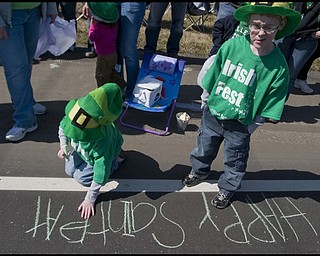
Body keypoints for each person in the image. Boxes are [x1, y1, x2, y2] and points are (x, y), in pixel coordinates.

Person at [182, 2, 301, 209]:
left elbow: (273, 100)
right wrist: (206, 99)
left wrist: (253, 125)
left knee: (235, 159)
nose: (261, 33)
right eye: (256, 25)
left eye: (269, 27)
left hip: (241, 123)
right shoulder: (232, 46)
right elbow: (213, 73)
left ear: (279, 27)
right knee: (204, 147)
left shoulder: (279, 66)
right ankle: (198, 171)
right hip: (213, 112)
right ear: (248, 24)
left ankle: (227, 188)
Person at [57, 82, 126, 220]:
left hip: (104, 155)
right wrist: (63, 145)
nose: (73, 134)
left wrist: (90, 199)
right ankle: (86, 158)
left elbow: (101, 173)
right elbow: (62, 128)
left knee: (81, 178)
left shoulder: (102, 143)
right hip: (85, 153)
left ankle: (116, 161)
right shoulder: (72, 118)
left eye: (78, 134)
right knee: (69, 170)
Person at [0, 2, 58, 142]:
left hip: (34, 11)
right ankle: (25, 119)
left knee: (26, 63)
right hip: (8, 16)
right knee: (16, 69)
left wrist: (51, 7)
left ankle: (27, 103)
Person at [275, 2, 320, 99]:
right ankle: (263, 104)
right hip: (286, 31)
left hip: (308, 37)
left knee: (291, 74)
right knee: (275, 69)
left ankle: (277, 107)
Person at [87, 2, 126, 91]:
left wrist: (93, 25)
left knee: (101, 76)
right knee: (111, 73)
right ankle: (122, 86)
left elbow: (91, 37)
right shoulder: (114, 25)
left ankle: (102, 93)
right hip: (112, 54)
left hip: (103, 56)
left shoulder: (98, 28)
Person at [116, 2, 147, 100]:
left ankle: (133, 91)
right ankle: (117, 88)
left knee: (128, 48)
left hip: (133, 4)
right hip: (112, 4)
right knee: (115, 47)